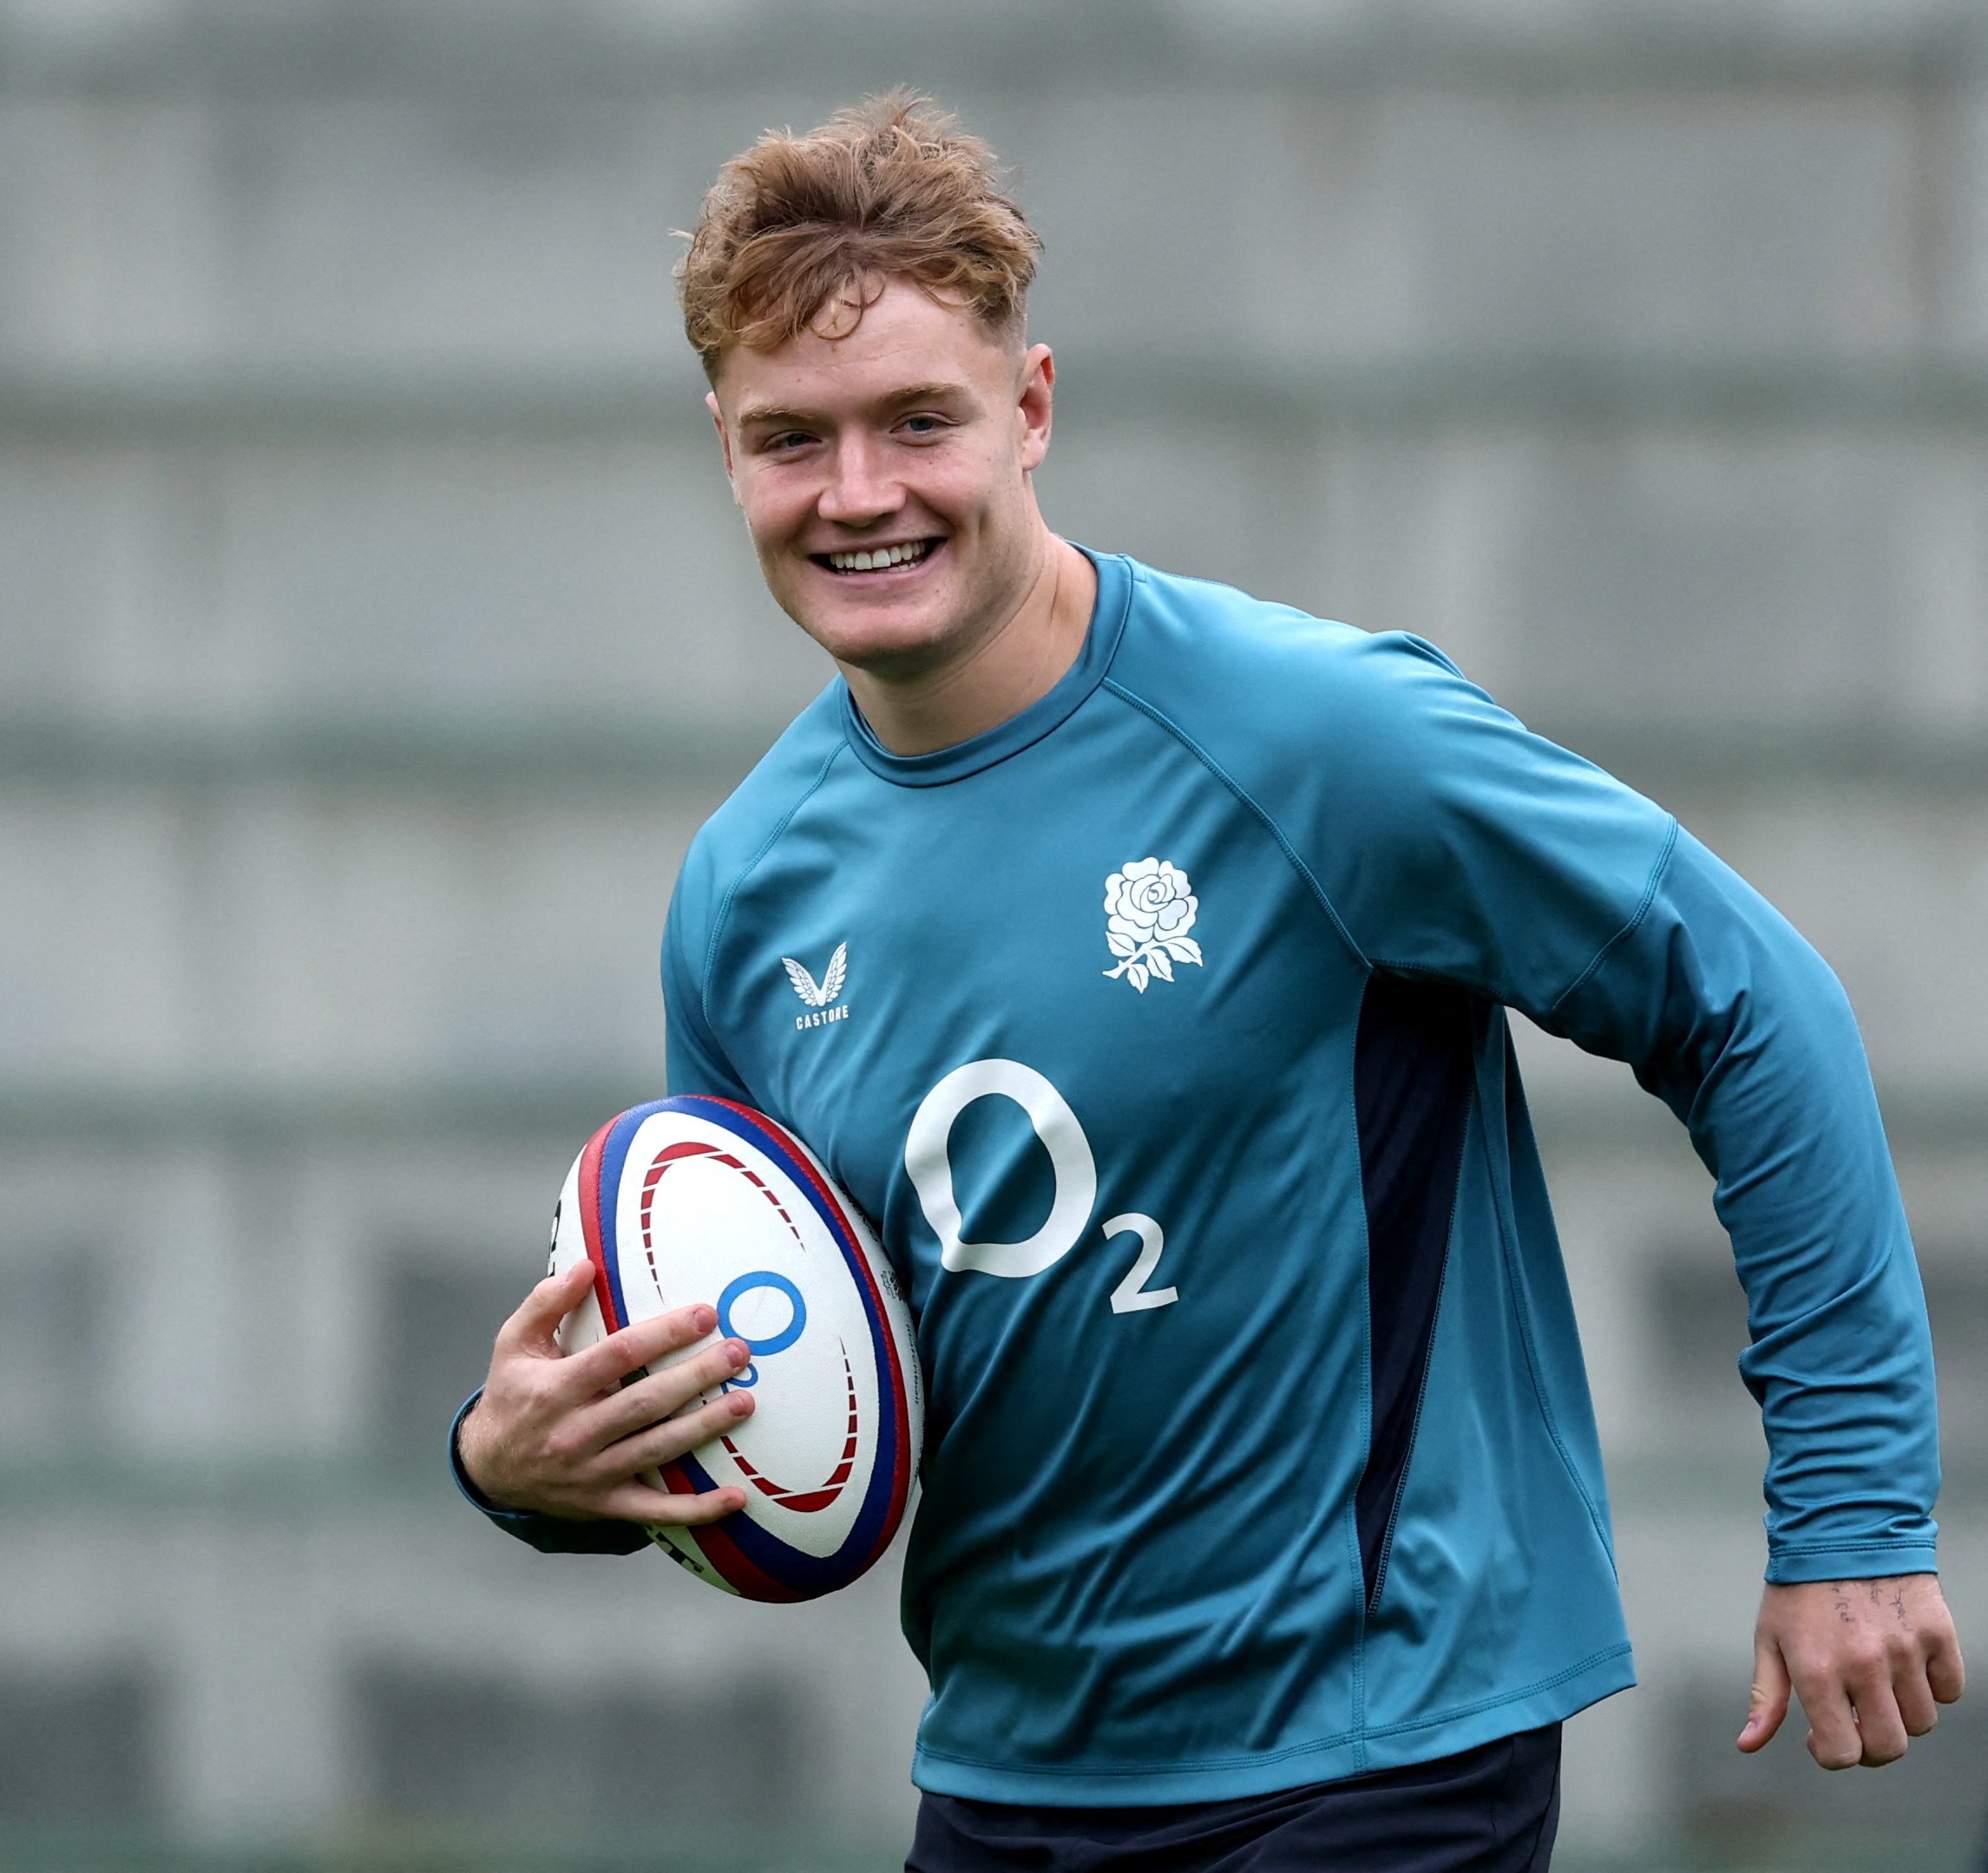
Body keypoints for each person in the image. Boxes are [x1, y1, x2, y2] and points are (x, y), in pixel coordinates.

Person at [448, 92, 1963, 1870]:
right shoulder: (743, 894)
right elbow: (767, 1407)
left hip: (1375, 1755)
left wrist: (1853, 1517)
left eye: (917, 421)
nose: (858, 494)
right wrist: (514, 1466)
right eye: (794, 439)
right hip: (1010, 1775)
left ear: (1027, 411)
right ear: (724, 450)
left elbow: (1751, 1000)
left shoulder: (1316, 735)